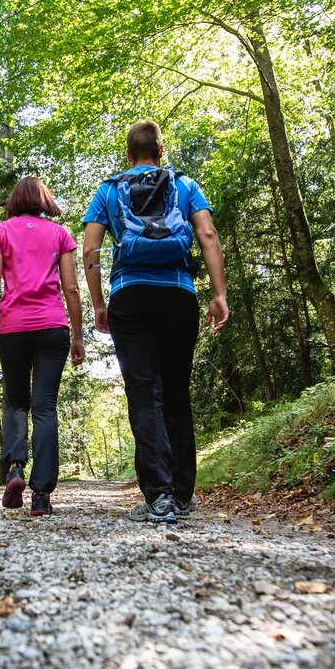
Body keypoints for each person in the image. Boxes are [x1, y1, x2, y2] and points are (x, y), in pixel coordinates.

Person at [81, 120, 229, 524]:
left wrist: (98, 303)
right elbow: (208, 235)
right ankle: (183, 495)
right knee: (177, 394)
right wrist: (218, 294)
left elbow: (90, 249)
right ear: (160, 152)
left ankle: (159, 497)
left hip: (130, 296)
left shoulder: (109, 189)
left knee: (145, 395)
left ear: (128, 154)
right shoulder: (184, 185)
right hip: (179, 294)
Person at [0, 176, 85, 517]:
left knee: (16, 401)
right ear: (43, 201)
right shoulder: (60, 234)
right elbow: (71, 290)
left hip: (14, 328)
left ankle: (15, 470)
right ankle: (42, 495)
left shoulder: (1, 232)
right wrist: (78, 335)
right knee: (45, 407)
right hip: (53, 326)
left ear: (14, 200)